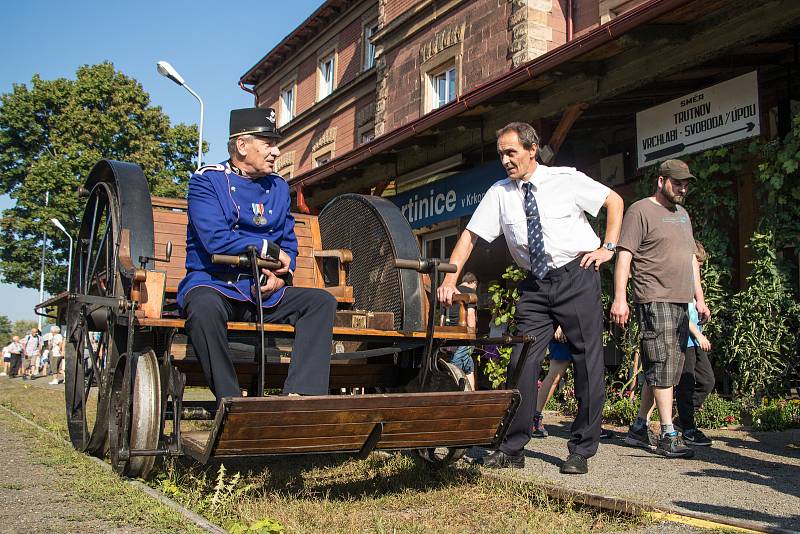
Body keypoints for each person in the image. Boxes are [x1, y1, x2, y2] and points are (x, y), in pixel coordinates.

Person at [437, 122, 624, 474]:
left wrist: (608, 248)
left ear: (531, 149)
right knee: (521, 361)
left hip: (577, 274)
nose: (506, 160)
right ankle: (512, 448)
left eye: (511, 152)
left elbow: (614, 201)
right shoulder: (499, 193)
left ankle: (581, 449)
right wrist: (450, 279)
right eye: (501, 155)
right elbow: (470, 236)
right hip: (536, 285)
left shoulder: (565, 179)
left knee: (587, 363)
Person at [177, 107, 336, 401]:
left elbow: (289, 243)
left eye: (276, 144)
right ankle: (232, 402)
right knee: (203, 311)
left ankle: (301, 398)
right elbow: (216, 241)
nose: (276, 152)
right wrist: (268, 250)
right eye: (268, 144)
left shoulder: (277, 186)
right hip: (214, 284)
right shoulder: (206, 181)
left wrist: (281, 278)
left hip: (263, 292)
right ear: (242, 145)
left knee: (320, 302)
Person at [610, 159, 710, 459]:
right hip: (654, 297)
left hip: (681, 301)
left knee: (665, 368)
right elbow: (624, 257)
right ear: (660, 181)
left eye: (685, 183)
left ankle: (640, 427)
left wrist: (699, 298)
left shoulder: (683, 215)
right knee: (663, 363)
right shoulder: (640, 210)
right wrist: (619, 298)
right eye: (677, 182)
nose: (682, 187)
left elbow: (691, 258)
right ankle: (667, 433)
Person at [532, 326, 612, 440]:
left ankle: (589, 425)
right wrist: (559, 325)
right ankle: (534, 419)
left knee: (588, 377)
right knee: (555, 375)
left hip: (585, 330)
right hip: (564, 331)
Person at [675, 241, 715, 446]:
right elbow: (680, 313)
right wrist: (698, 335)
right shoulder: (679, 278)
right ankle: (688, 427)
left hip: (695, 337)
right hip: (686, 339)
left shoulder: (693, 284)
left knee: (707, 381)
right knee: (686, 384)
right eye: (698, 261)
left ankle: (681, 420)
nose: (700, 266)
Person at [442, 272, 478, 390]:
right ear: (473, 282)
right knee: (455, 368)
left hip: (449, 335)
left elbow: (442, 317)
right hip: (463, 336)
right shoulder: (470, 293)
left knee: (468, 365)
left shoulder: (451, 290)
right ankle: (457, 395)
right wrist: (472, 335)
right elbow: (471, 315)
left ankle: (471, 394)